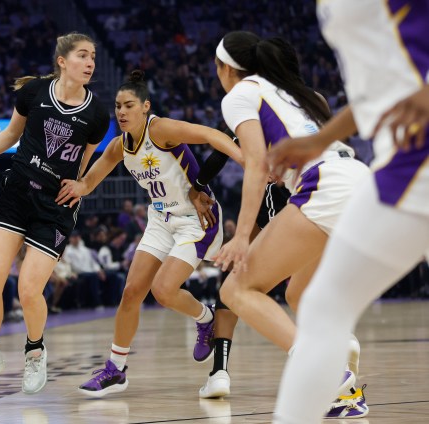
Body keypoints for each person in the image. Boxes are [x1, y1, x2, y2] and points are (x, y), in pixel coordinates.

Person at [270, 1, 429, 421]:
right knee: (322, 306)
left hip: (418, 163)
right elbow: (378, 89)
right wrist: (318, 140)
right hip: (400, 166)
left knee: (324, 306)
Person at [55, 70, 242, 398]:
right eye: (117, 106)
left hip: (196, 217)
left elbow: (212, 136)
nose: (121, 112)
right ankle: (116, 369)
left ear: (145, 106)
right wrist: (77, 186)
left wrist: (247, 158)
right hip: (161, 217)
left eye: (128, 105)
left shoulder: (162, 129)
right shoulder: (118, 146)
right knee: (131, 292)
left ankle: (205, 318)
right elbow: (90, 181)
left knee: (164, 291)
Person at [209, 31, 370, 408]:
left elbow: (254, 163)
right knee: (299, 293)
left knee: (235, 291)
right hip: (358, 180)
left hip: (325, 186)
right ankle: (339, 352)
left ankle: (329, 377)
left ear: (225, 68)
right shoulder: (304, 94)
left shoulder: (240, 94)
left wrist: (242, 235)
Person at [0, 32, 110, 397]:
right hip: (15, 193)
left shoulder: (97, 114)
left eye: (93, 56)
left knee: (29, 289)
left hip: (55, 205)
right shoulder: (33, 93)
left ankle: (35, 349)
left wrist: (82, 186)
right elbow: (11, 133)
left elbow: (85, 165)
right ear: (62, 60)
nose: (90, 62)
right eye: (82, 55)